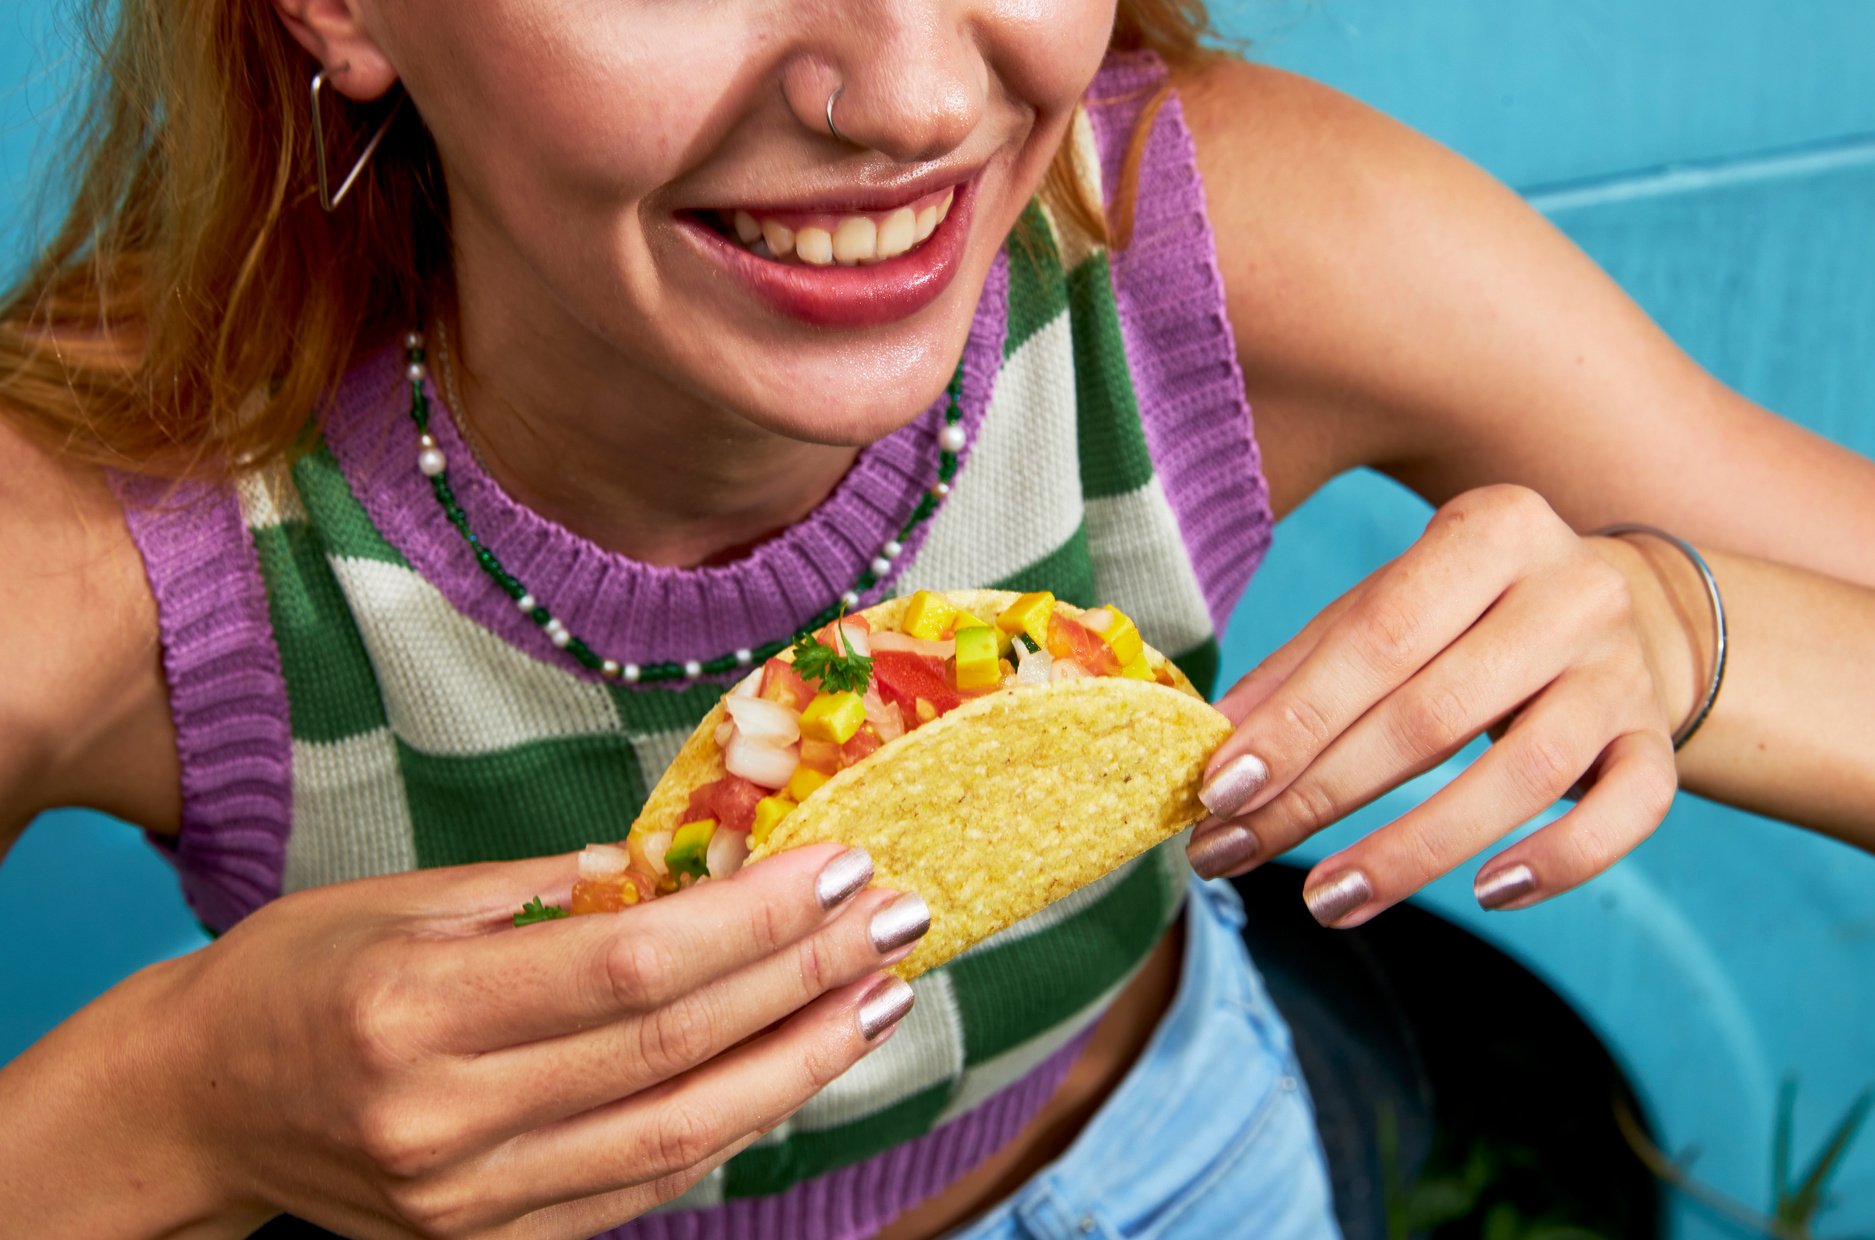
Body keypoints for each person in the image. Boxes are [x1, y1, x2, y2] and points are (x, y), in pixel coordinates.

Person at [1, 0, 1872, 1237]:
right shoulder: (95, 550)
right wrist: (190, 1103)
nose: (906, 99)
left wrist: (1682, 629)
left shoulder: (1193, 235)